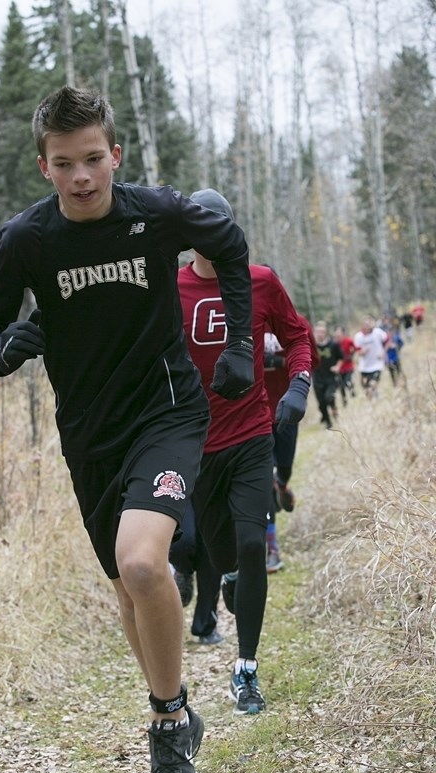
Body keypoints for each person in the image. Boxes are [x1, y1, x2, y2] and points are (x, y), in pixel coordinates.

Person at [0, 86, 257, 773]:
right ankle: (176, 711)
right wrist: (3, 349)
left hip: (167, 411)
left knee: (145, 565)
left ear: (115, 155)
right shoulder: (28, 240)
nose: (83, 177)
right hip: (89, 433)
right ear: (44, 168)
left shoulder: (154, 213)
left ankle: (165, 733)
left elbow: (230, 244)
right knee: (128, 587)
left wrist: (240, 342)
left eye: (94, 159)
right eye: (65, 164)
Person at [178, 189, 313, 715]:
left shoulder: (259, 281)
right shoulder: (169, 288)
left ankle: (246, 670)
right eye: (202, 228)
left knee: (254, 544)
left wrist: (298, 386)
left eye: (221, 226)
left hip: (252, 435)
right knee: (222, 555)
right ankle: (231, 577)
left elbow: (298, 335)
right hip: (195, 446)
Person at [263, 320, 319, 572]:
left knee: (283, 468)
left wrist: (278, 362)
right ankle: (271, 548)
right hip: (254, 413)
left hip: (286, 410)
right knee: (263, 478)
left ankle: (282, 484)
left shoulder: (295, 323)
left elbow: (311, 362)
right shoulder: (236, 318)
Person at [169, 502, 224, 645]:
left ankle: (206, 625)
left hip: (212, 485)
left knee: (210, 551)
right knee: (182, 541)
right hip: (180, 485)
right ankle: (183, 570)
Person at [311, 321, 343, 428]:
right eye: (318, 332)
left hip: (330, 378)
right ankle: (328, 422)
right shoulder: (312, 346)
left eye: (322, 332)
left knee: (329, 397)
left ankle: (334, 408)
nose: (320, 334)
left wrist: (337, 367)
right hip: (317, 378)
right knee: (321, 403)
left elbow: (341, 358)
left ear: (326, 333)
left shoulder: (333, 345)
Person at [353, 316, 389, 400]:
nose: (366, 327)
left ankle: (377, 399)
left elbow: (387, 341)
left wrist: (383, 352)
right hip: (364, 366)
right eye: (365, 325)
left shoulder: (378, 332)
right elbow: (357, 351)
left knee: (373, 384)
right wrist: (362, 352)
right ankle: (373, 399)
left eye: (368, 324)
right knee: (366, 388)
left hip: (377, 363)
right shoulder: (358, 336)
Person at [332, 326, 356, 405]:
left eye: (339, 333)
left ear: (343, 333)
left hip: (348, 366)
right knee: (341, 385)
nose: (338, 335)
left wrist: (351, 355)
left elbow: (355, 347)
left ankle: (352, 390)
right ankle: (344, 401)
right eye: (336, 334)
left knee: (347, 381)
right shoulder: (334, 344)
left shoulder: (348, 340)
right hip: (339, 368)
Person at [385, 320, 405, 386]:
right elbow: (382, 348)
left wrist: (397, 346)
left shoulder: (396, 337)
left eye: (392, 330)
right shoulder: (385, 339)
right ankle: (394, 384)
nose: (391, 332)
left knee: (399, 371)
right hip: (389, 359)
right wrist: (387, 347)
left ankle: (399, 381)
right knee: (392, 373)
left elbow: (401, 343)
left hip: (396, 357)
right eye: (389, 330)